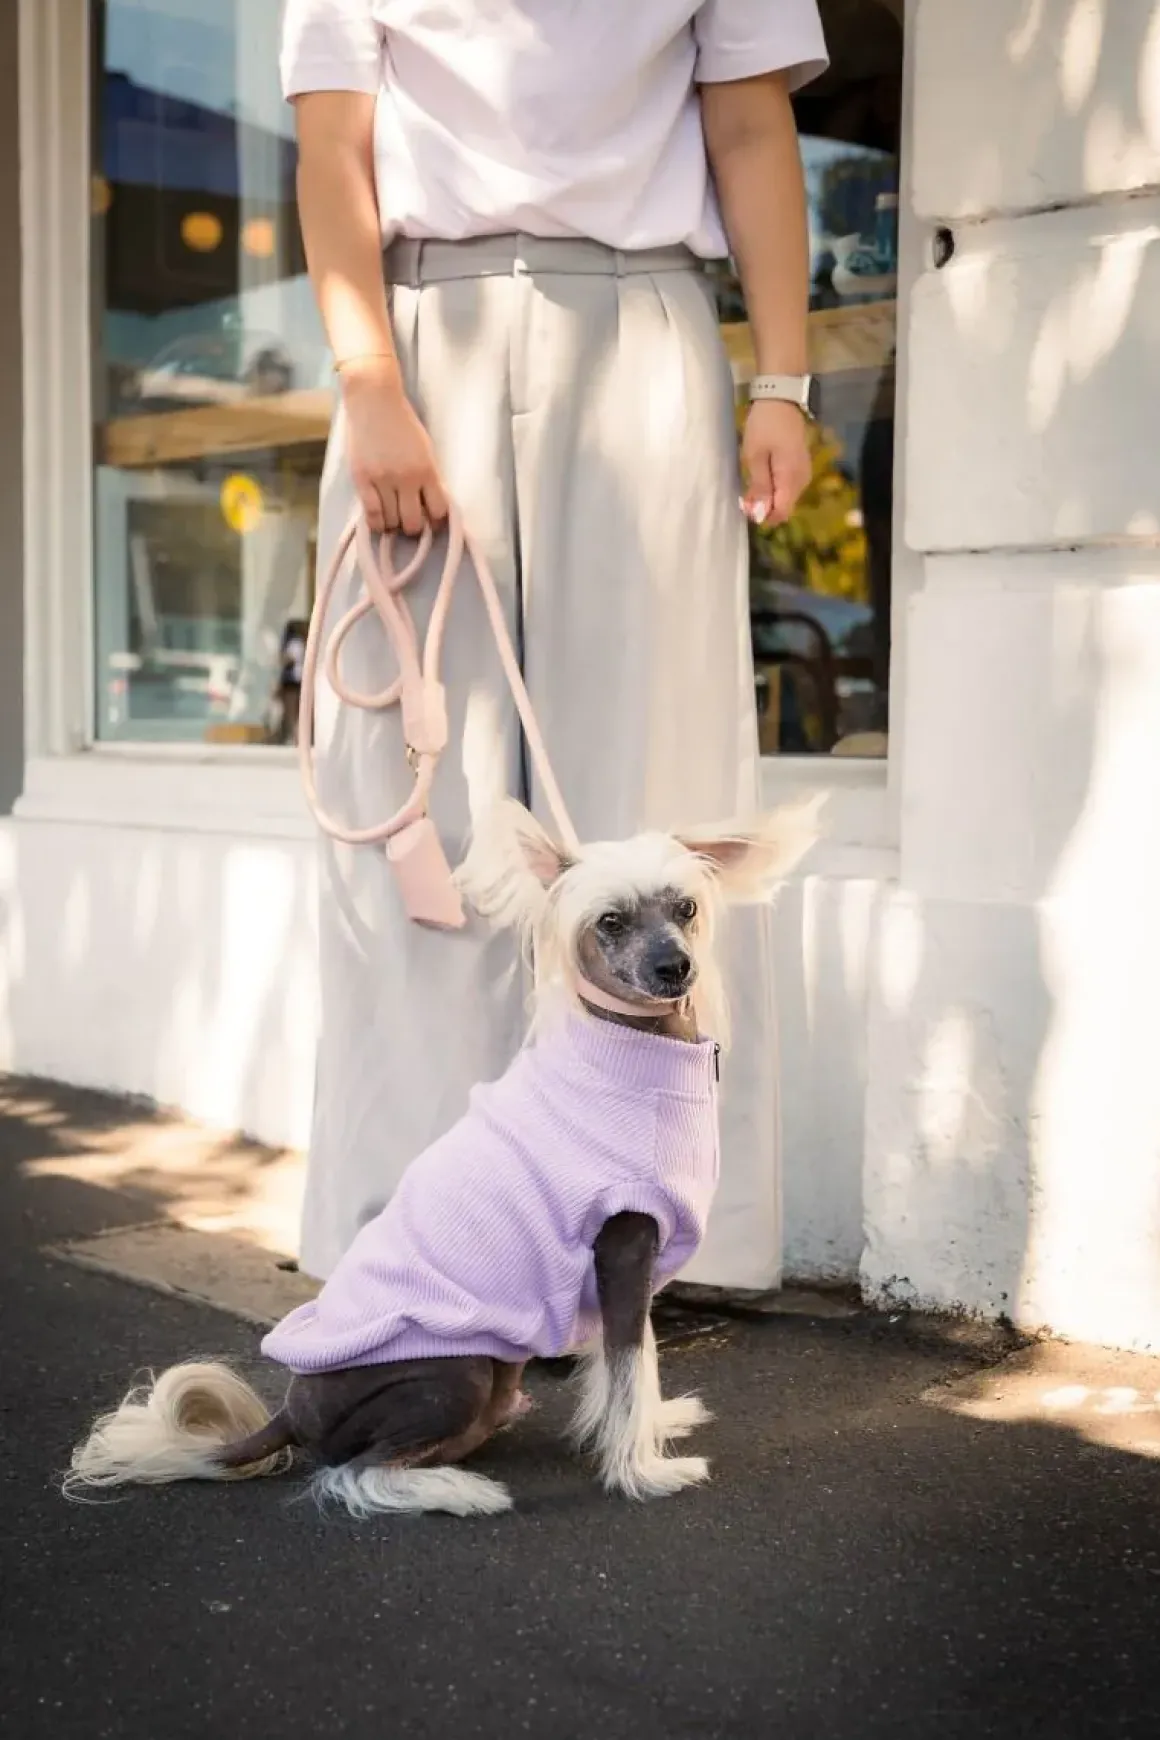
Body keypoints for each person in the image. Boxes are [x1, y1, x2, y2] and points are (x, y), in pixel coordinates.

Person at [280, 0, 828, 1285]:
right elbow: (332, 150)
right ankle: (407, 1228)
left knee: (650, 798)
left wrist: (783, 381)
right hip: (416, 336)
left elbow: (750, 127)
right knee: (420, 804)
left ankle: (662, 1228)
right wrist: (367, 380)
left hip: (638, 329)